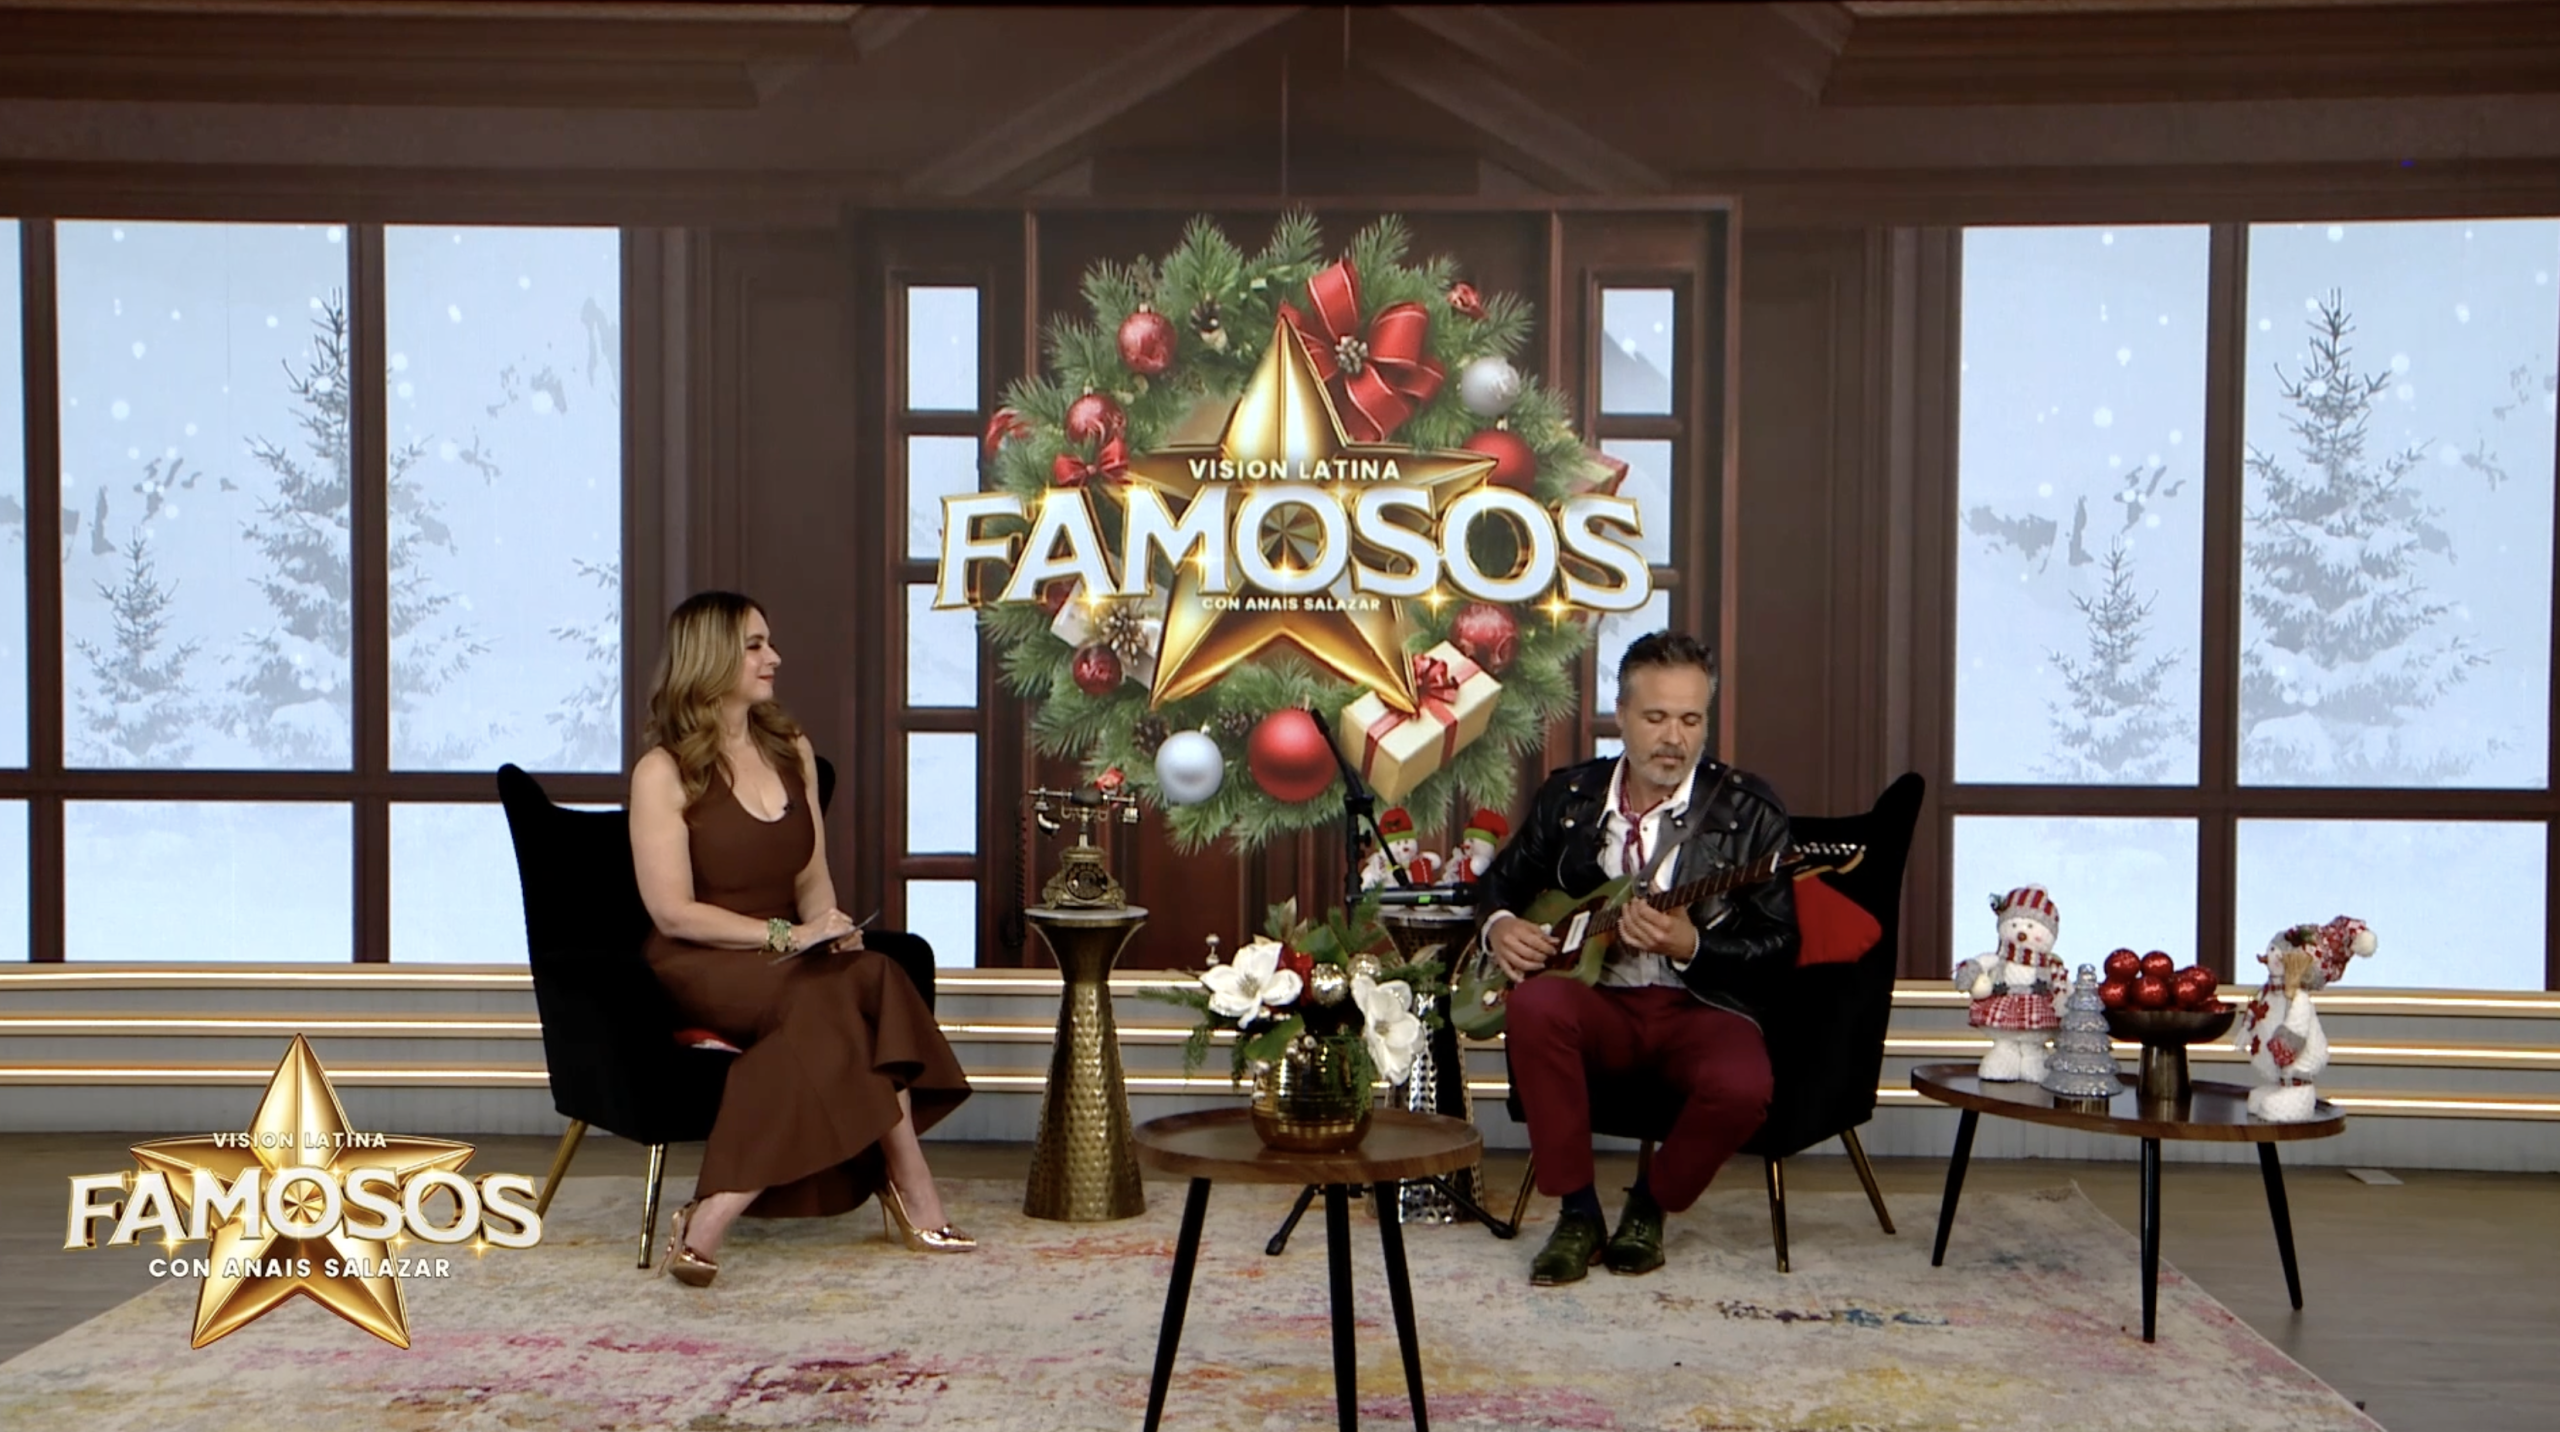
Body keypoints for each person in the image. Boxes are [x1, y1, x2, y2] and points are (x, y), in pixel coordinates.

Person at [630, 591, 976, 1287]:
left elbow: (812, 878)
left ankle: (713, 1215)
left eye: (769, 642)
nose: (774, 658)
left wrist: (832, 930)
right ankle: (903, 1188)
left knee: (869, 975)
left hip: (790, 957)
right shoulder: (663, 771)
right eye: (755, 646)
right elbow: (673, 914)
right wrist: (789, 936)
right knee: (844, 1000)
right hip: (704, 960)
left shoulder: (791, 750)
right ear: (712, 656)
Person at [1475, 630, 1796, 1285]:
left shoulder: (1751, 812)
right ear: (1620, 716)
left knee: (1743, 1087)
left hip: (1701, 1004)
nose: (1674, 738)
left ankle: (1650, 1205)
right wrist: (1500, 926)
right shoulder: (1569, 799)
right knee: (1534, 1004)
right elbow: (1498, 884)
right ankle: (1577, 1213)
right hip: (1598, 1003)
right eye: (1655, 717)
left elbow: (1780, 947)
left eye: (1691, 720)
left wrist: (1693, 944)